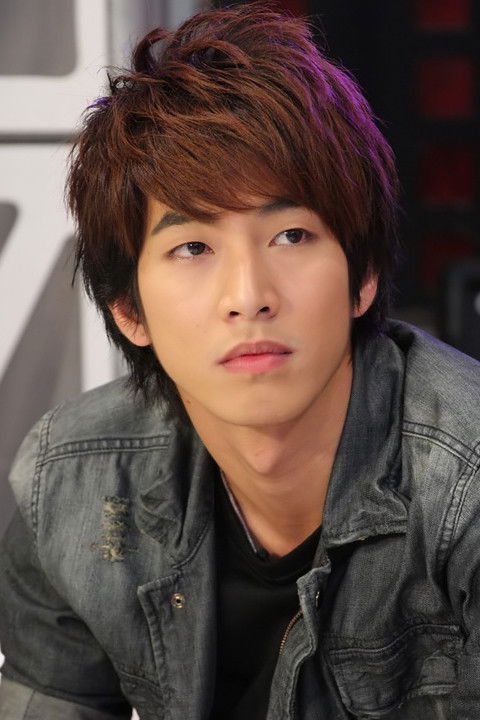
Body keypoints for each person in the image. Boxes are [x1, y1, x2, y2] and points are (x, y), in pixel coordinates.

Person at [0, 3, 479, 719]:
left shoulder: (466, 490)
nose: (249, 295)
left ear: (364, 277)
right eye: (193, 247)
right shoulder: (73, 484)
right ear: (129, 311)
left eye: (291, 235)